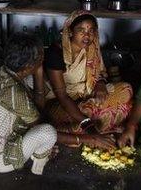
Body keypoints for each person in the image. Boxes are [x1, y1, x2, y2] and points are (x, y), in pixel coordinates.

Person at [43, 11, 133, 149]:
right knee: (87, 113)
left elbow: (100, 72)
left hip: (87, 95)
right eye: (81, 30)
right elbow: (61, 95)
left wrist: (101, 83)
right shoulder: (55, 53)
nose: (87, 35)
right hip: (61, 103)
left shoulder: (92, 47)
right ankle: (94, 131)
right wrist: (88, 126)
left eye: (91, 30)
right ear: (71, 31)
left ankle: (96, 128)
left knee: (125, 90)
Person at [0, 32, 57, 175]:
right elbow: (39, 121)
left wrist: (37, 71)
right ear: (29, 65)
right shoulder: (13, 92)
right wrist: (90, 139)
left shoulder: (4, 71)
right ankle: (38, 162)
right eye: (41, 57)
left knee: (31, 83)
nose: (43, 59)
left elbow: (37, 104)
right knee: (49, 133)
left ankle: (34, 147)